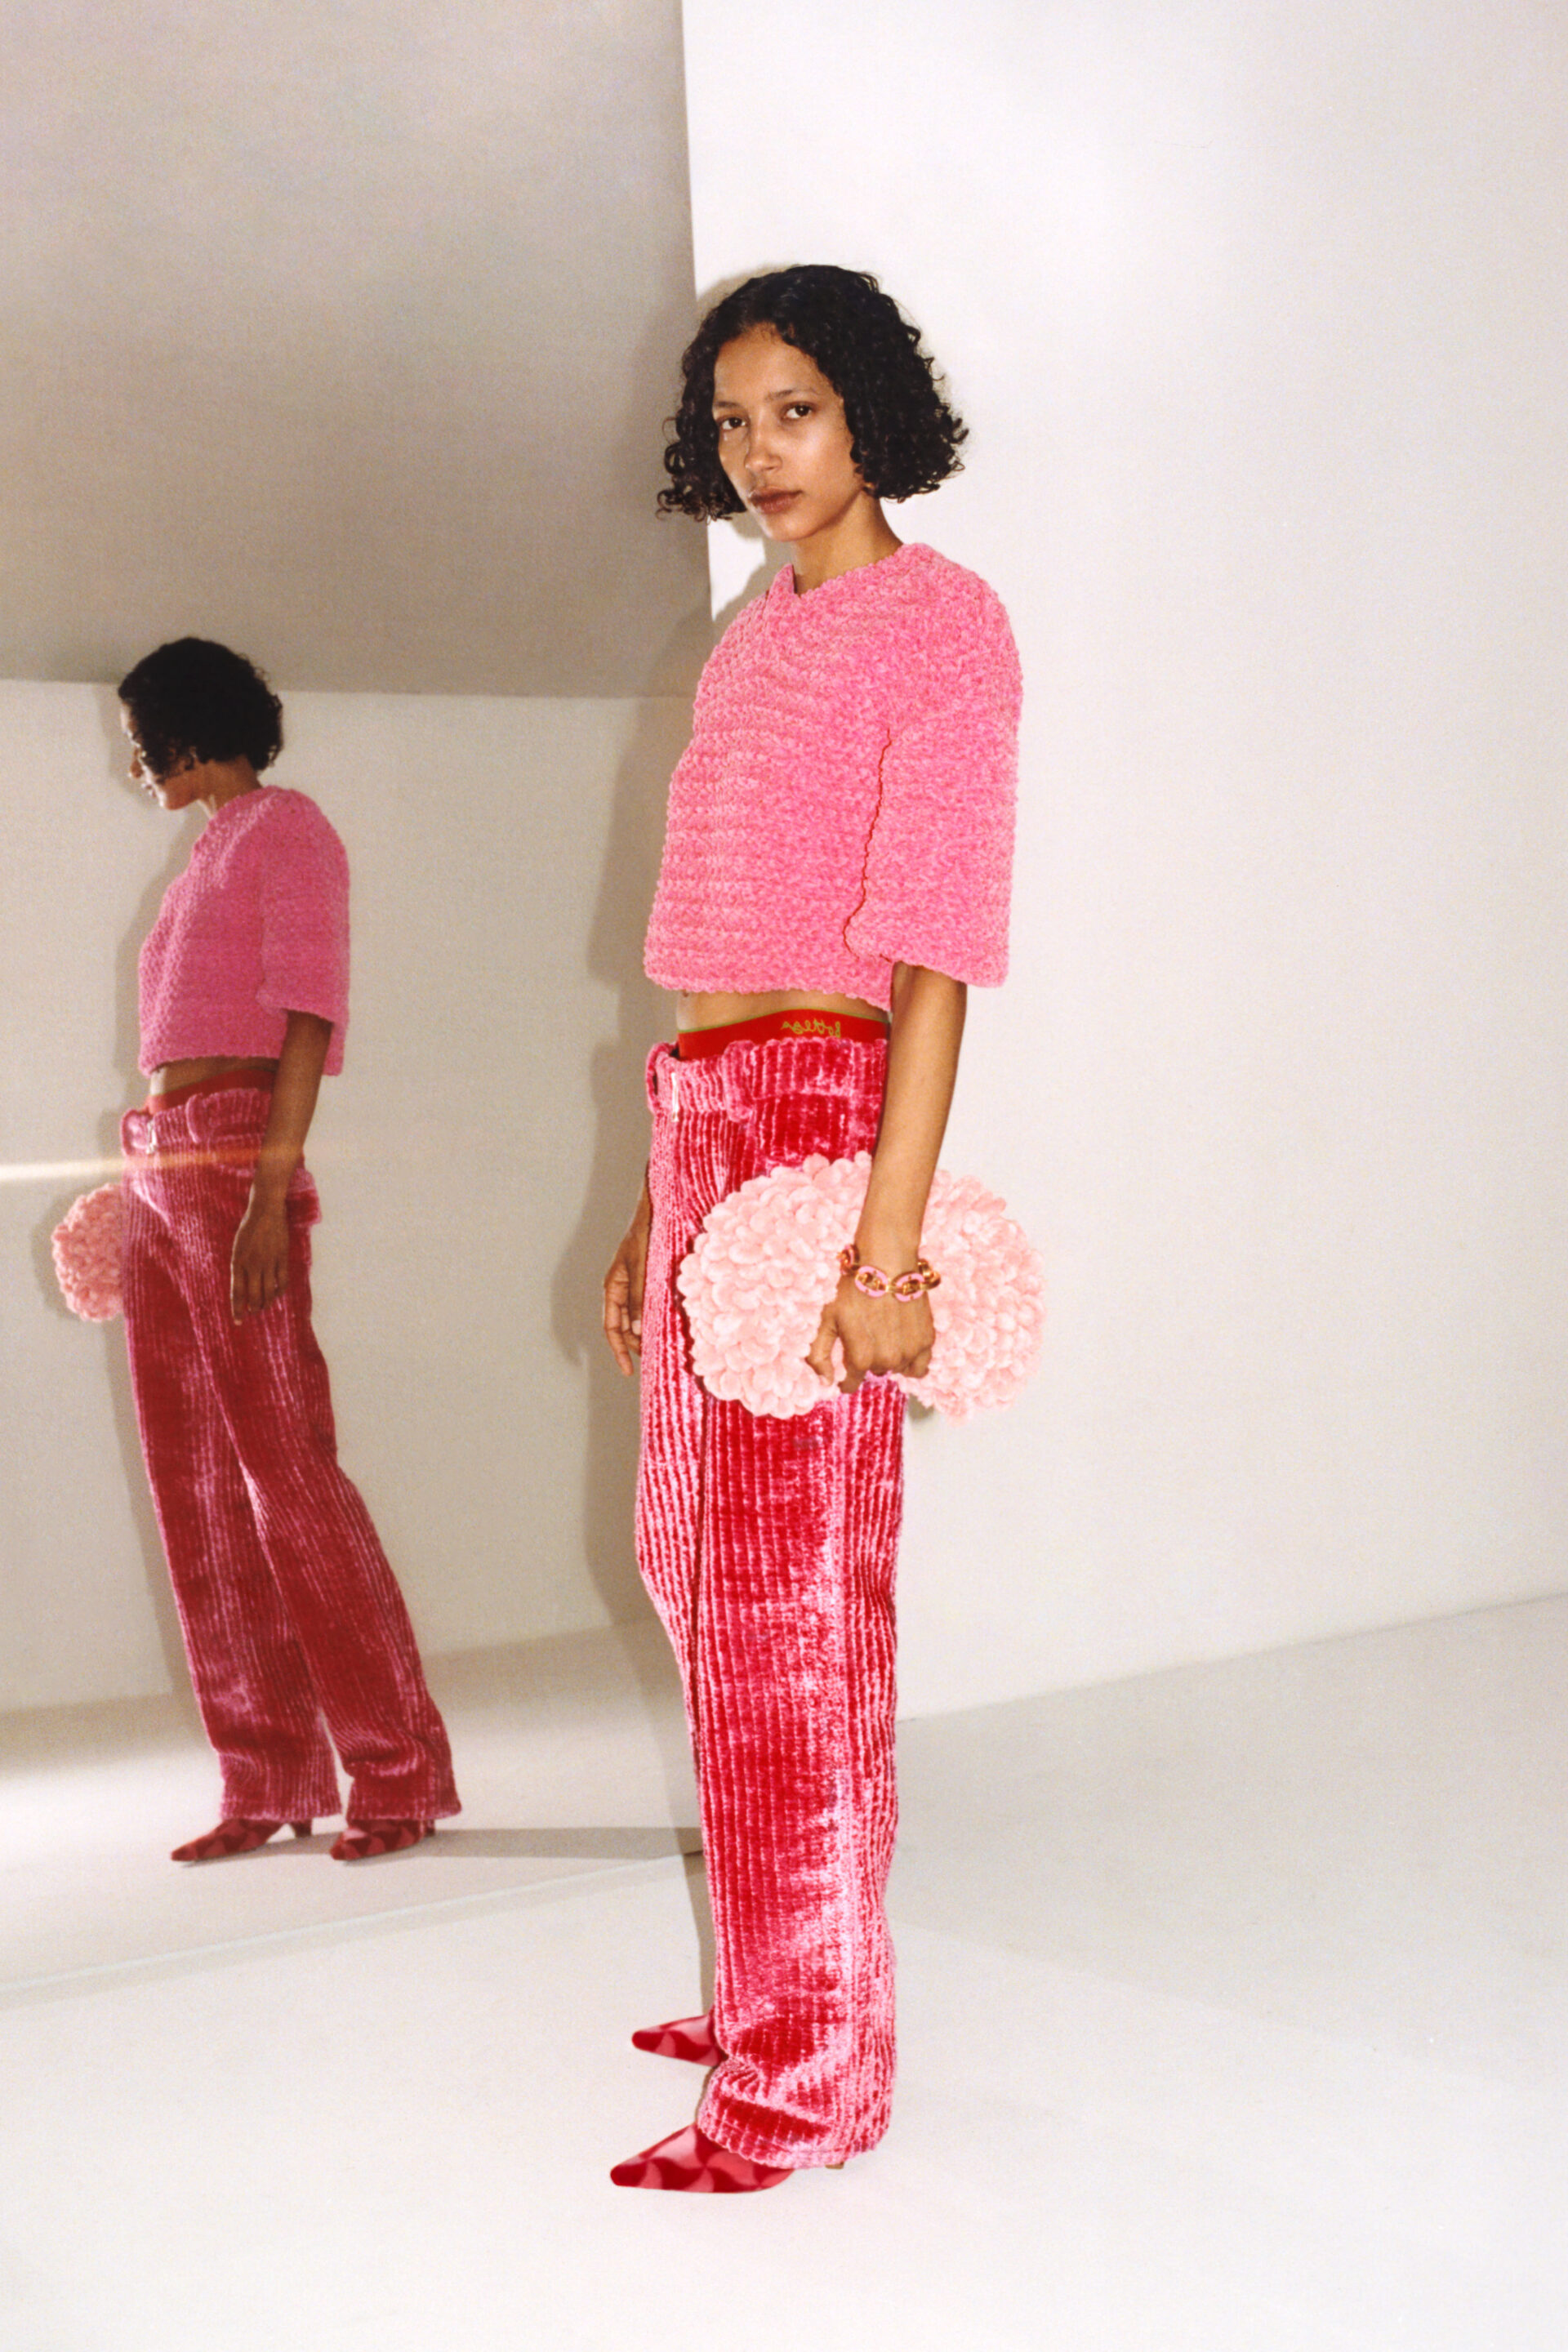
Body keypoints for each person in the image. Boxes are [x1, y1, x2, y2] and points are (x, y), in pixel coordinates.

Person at [602, 266, 1020, 2191]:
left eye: (796, 409)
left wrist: (886, 1250)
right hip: (703, 1118)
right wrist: (651, 1209)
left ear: (869, 413)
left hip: (817, 1128)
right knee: (701, 1568)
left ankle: (802, 2076)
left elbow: (934, 957)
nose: (761, 451)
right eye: (733, 420)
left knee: (785, 1601)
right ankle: (799, 1976)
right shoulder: (744, 643)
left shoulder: (943, 623)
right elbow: (706, 960)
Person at [116, 637, 458, 1863]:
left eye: (139, 738)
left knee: (289, 1474)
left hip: (232, 1157)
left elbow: (309, 1017)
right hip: (159, 1164)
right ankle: (266, 1777)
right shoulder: (203, 851)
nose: (134, 761)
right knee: (194, 1484)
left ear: (187, 727)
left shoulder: (288, 829)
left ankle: (399, 1773)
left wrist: (270, 1195)